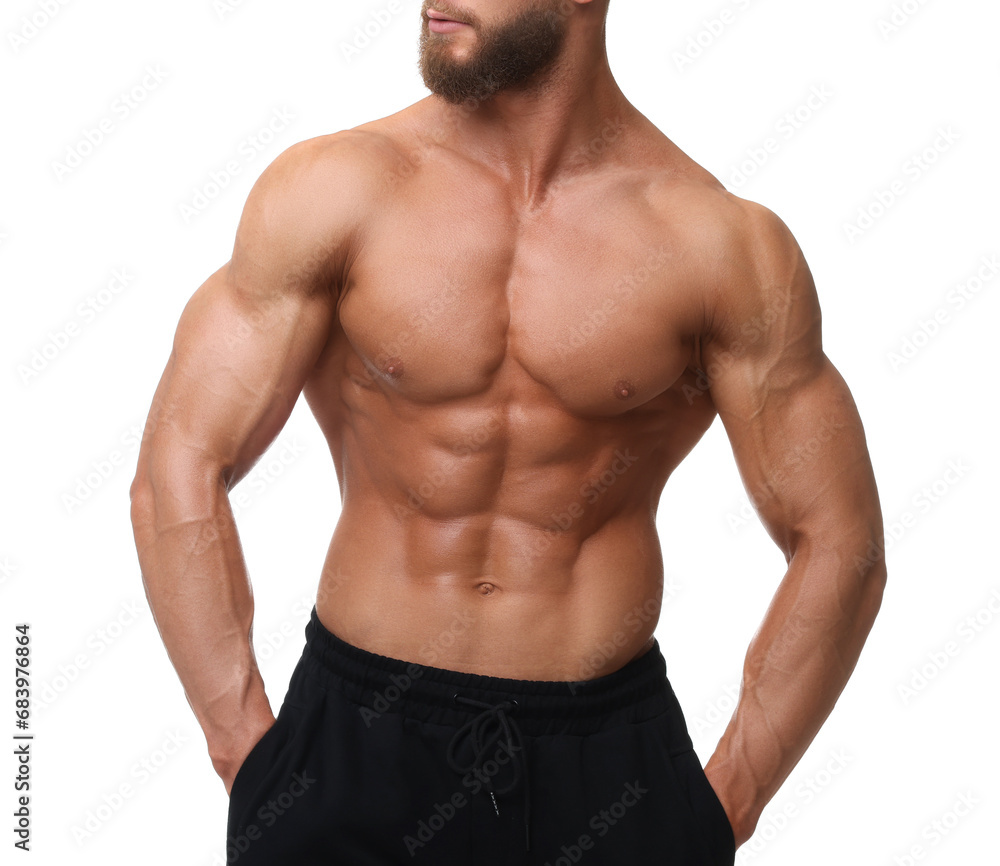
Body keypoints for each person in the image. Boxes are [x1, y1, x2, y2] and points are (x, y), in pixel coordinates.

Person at [129, 1, 887, 863]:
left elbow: (839, 539)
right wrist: (247, 749)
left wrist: (721, 806)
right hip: (350, 740)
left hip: (606, 761)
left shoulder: (717, 242)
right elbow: (181, 463)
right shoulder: (337, 189)